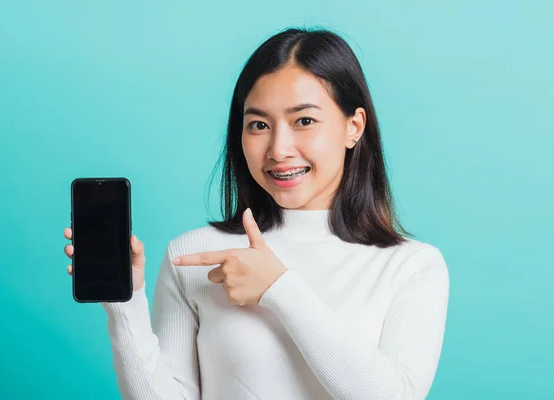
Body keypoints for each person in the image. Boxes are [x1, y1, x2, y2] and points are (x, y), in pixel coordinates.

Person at [63, 27, 449, 400]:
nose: (279, 149)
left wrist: (279, 287)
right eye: (259, 124)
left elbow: (394, 396)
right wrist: (125, 303)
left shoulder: (412, 267)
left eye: (304, 121)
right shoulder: (195, 255)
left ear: (354, 126)